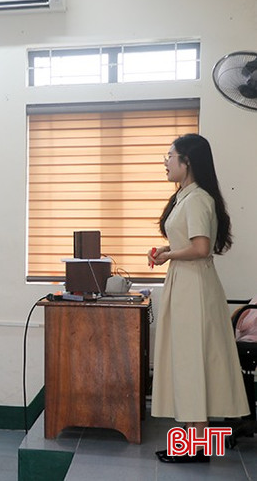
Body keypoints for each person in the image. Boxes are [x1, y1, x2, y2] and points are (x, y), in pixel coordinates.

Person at [148, 134, 249, 463]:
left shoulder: (198, 199)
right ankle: (191, 445)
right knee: (188, 363)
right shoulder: (185, 198)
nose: (165, 162)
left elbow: (202, 248)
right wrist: (169, 250)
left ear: (186, 161)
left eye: (169, 156)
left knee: (193, 362)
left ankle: (196, 448)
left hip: (195, 288)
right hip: (187, 283)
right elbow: (191, 243)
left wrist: (168, 256)